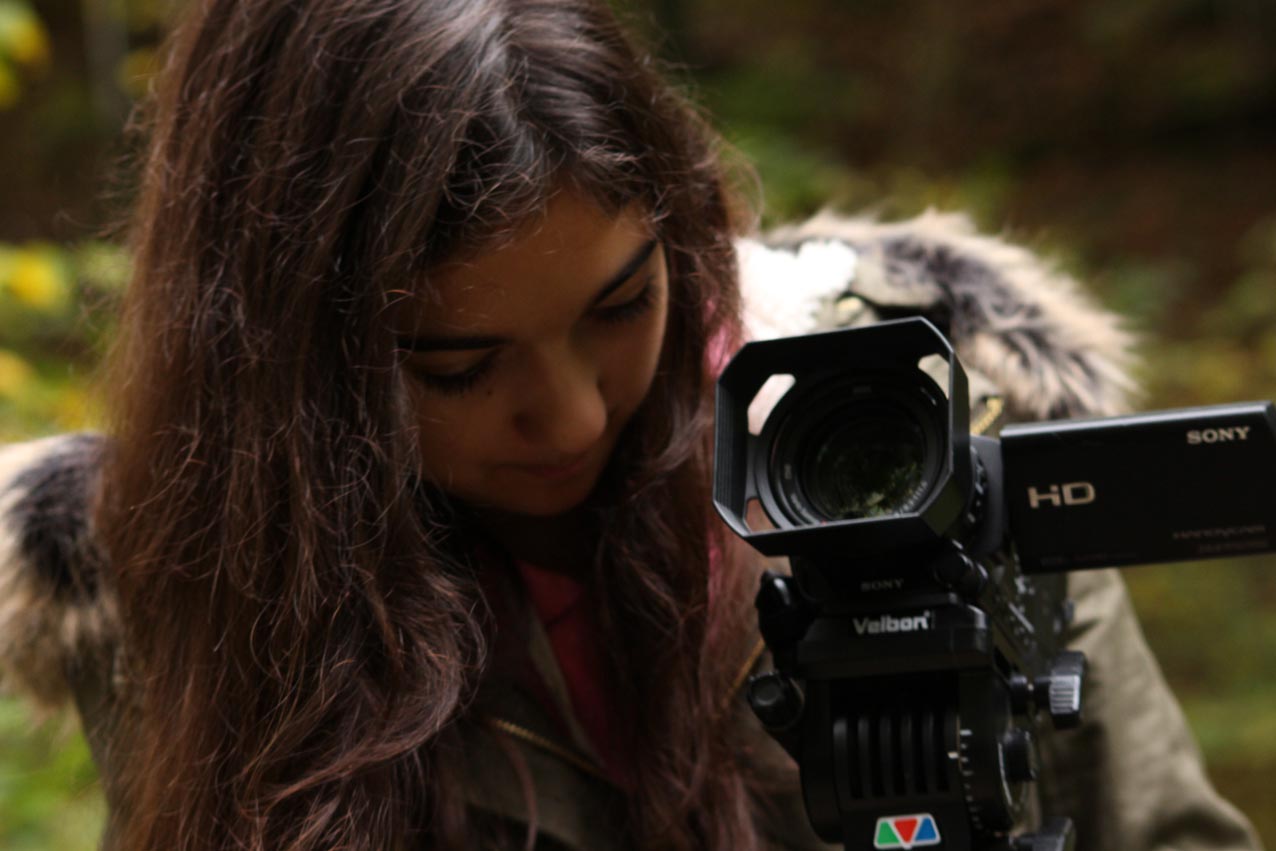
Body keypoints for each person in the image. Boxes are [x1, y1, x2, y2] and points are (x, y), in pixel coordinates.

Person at [0, 0, 1262, 849]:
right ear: (293, 374)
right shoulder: (179, 587)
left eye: (621, 306)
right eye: (458, 365)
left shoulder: (909, 416)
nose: (570, 413)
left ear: (683, 228)